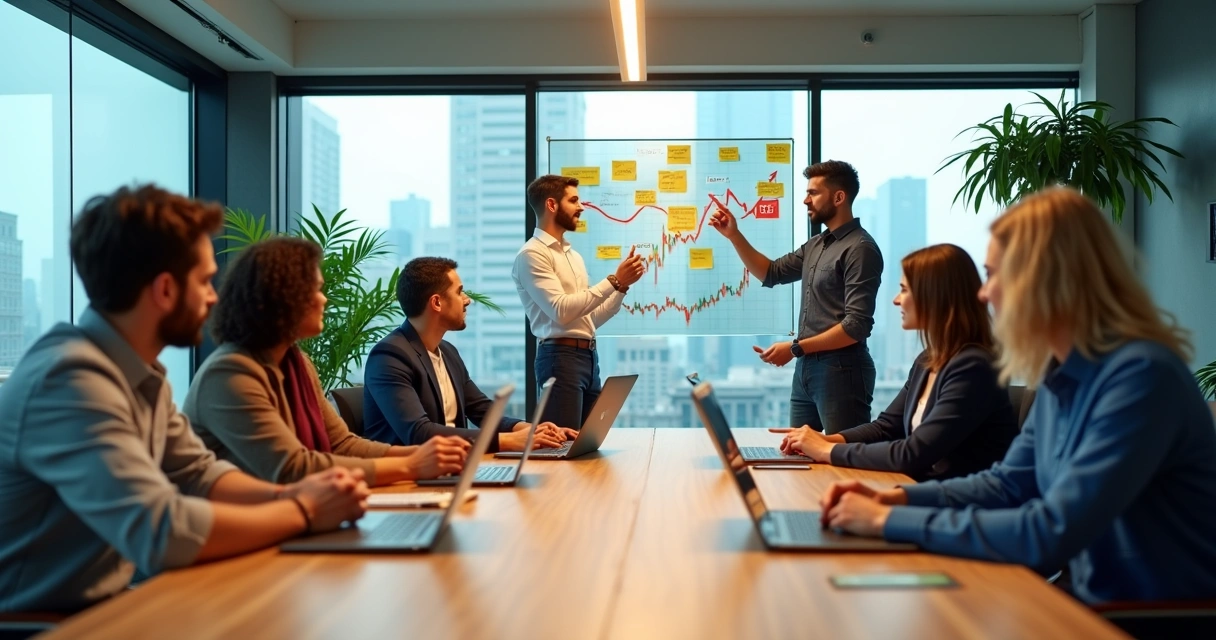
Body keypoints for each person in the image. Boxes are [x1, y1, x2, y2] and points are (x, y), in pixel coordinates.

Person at [819, 187, 1216, 604]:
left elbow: (1049, 532)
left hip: (1148, 617)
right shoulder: (1063, 373)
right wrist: (897, 497)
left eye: (993, 275)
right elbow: (1007, 484)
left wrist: (886, 521)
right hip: (1087, 597)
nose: (983, 293)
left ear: (1045, 279)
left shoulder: (1140, 378)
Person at [0, 185, 368, 613]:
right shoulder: (69, 381)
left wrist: (290, 497)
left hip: (106, 608)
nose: (215, 297)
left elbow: (198, 474)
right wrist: (304, 511)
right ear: (165, 290)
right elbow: (161, 531)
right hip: (39, 624)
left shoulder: (138, 373)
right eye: (205, 281)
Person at [184, 237, 470, 486]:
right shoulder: (230, 374)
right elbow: (293, 468)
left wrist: (425, 455)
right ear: (279, 298)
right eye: (314, 290)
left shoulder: (298, 363)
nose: (324, 300)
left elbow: (341, 444)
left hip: (291, 513)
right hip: (244, 524)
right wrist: (412, 465)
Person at [775, 244, 1018, 481]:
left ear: (935, 296)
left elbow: (913, 454)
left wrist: (826, 451)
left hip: (954, 501)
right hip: (922, 490)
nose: (896, 300)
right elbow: (886, 427)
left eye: (904, 290)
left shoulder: (973, 367)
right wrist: (825, 440)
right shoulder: (928, 360)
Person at [709, 160, 882, 434]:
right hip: (805, 369)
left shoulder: (860, 248)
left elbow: (856, 326)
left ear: (839, 197)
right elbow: (771, 272)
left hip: (842, 369)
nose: (805, 200)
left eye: (813, 193)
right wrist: (734, 235)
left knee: (842, 454)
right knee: (798, 451)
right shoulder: (816, 244)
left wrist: (794, 349)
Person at [364, 257, 573, 452]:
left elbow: (481, 410)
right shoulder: (389, 356)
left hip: (453, 467)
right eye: (459, 292)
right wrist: (507, 441)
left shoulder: (448, 352)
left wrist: (529, 430)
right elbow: (419, 433)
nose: (467, 300)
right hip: (410, 475)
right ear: (436, 303)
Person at [512, 174, 647, 429]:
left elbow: (589, 319)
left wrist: (622, 286)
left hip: (588, 357)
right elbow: (561, 311)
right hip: (559, 359)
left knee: (588, 442)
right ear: (551, 205)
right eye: (573, 200)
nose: (581, 207)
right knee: (562, 444)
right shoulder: (532, 254)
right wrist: (613, 280)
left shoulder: (573, 256)